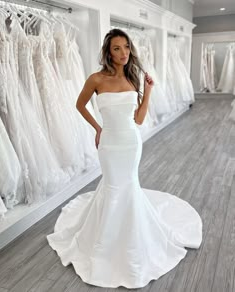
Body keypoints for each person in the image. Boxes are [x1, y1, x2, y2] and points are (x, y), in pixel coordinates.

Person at [47, 29, 202, 289]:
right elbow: (79, 105)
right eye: (117, 48)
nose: (123, 53)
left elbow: (139, 120)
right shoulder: (96, 79)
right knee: (112, 187)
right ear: (109, 52)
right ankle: (104, 245)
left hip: (131, 143)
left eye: (126, 47)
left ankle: (129, 243)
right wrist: (97, 128)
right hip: (108, 143)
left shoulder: (134, 79)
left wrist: (149, 90)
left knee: (128, 187)